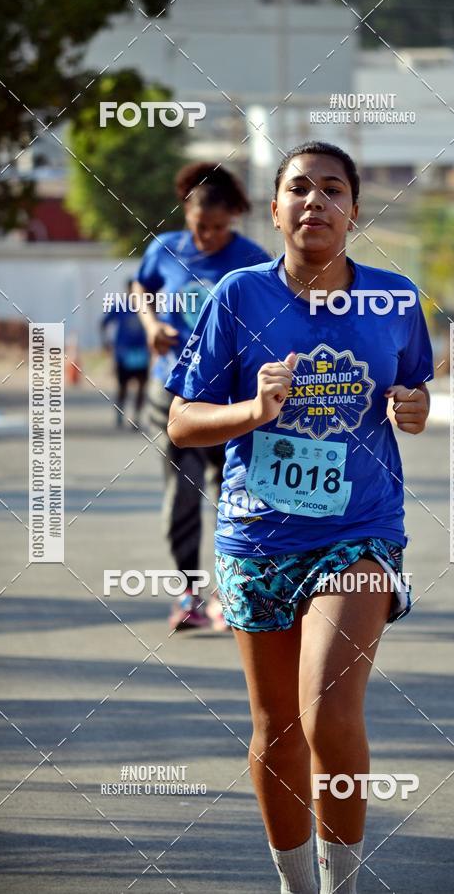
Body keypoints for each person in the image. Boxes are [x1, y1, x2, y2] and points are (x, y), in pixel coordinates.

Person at [164, 141, 434, 893]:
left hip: (359, 530)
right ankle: (296, 885)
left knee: (327, 713)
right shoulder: (239, 298)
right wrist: (254, 409)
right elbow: (181, 424)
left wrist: (416, 408)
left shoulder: (395, 299)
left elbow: (413, 388)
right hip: (257, 533)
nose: (315, 201)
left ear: (354, 209)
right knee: (276, 729)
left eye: (332, 189)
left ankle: (340, 887)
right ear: (277, 209)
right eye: (298, 189)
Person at [134, 162, 270, 631]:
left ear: (233, 217)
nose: (208, 235)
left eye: (218, 227)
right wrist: (152, 326)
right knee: (183, 496)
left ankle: (230, 593)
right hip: (173, 394)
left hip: (231, 400)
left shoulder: (252, 259)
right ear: (185, 213)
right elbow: (141, 287)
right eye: (199, 225)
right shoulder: (164, 250)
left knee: (236, 494)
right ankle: (188, 595)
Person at [101, 278, 150, 430]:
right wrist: (106, 342)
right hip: (124, 353)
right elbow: (104, 323)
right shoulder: (120, 306)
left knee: (142, 386)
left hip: (142, 352)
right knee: (123, 387)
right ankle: (119, 414)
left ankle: (136, 417)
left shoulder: (147, 307)